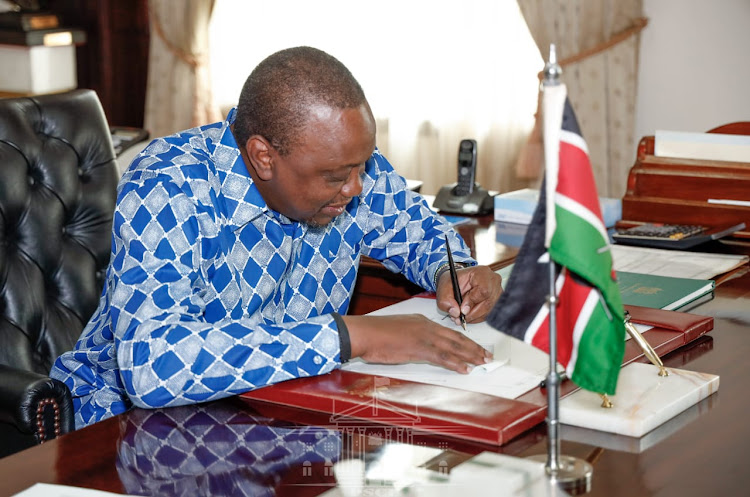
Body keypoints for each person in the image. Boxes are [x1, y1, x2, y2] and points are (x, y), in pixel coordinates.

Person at [50, 46, 503, 429]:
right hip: (127, 430)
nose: (357, 187)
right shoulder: (169, 186)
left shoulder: (347, 167)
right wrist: (349, 337)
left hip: (276, 414)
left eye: (362, 166)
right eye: (335, 176)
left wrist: (454, 270)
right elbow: (150, 364)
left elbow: (418, 229)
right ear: (263, 157)